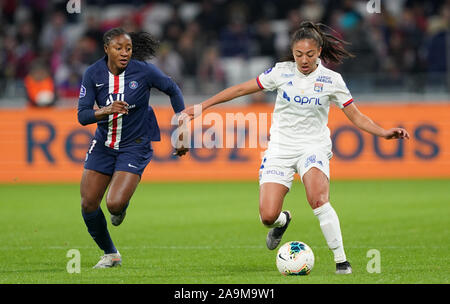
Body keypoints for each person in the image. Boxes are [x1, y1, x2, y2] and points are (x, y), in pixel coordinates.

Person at [182, 21, 410, 274]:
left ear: (319, 52)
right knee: (268, 216)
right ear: (292, 52)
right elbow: (240, 89)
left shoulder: (331, 80)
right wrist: (204, 106)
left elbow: (356, 116)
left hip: (313, 146)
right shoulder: (281, 72)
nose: (303, 59)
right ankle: (283, 221)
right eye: (298, 54)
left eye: (309, 54)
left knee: (318, 199)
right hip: (280, 147)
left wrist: (383, 132)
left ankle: (342, 262)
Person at [77, 27, 188, 269]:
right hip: (104, 144)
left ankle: (121, 206)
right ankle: (111, 254)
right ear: (107, 49)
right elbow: (83, 116)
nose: (125, 53)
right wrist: (105, 110)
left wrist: (181, 129)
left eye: (128, 48)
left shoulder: (144, 71)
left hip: (135, 145)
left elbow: (172, 89)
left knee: (114, 204)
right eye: (119, 48)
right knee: (88, 204)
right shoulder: (93, 74)